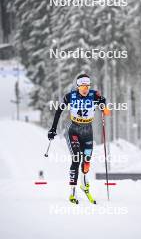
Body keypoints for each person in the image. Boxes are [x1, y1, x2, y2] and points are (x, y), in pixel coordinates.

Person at [48, 74, 110, 204]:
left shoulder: (94, 95)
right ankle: (72, 192)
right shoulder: (70, 96)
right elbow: (59, 111)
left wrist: (104, 106)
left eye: (87, 86)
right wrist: (53, 129)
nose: (85, 89)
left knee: (86, 162)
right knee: (76, 159)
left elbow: (104, 103)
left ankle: (84, 184)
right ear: (78, 86)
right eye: (83, 86)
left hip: (87, 131)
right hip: (73, 130)